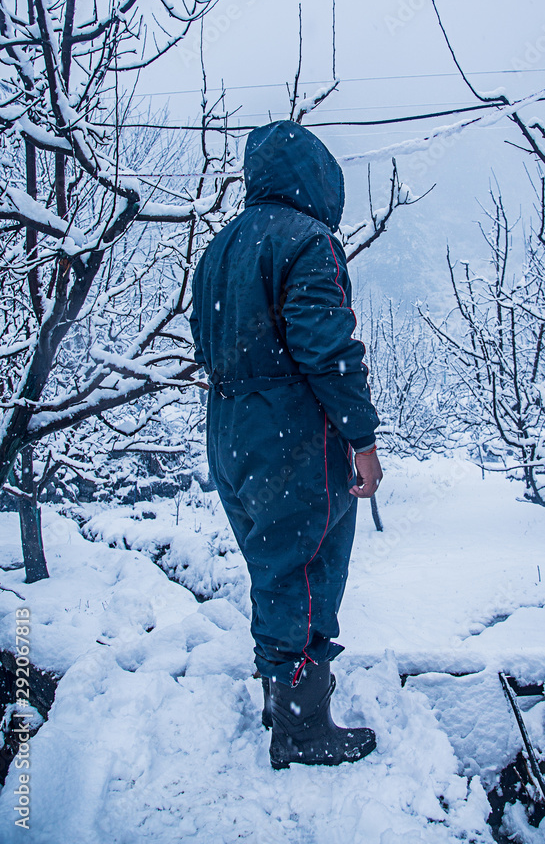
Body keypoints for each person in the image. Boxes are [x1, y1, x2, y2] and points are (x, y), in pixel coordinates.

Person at [190, 119, 383, 770]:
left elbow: (204, 338)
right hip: (291, 430)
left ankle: (281, 697)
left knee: (272, 567)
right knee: (305, 569)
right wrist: (361, 439)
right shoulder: (307, 242)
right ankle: (303, 729)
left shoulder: (221, 247)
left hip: (229, 425)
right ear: (316, 178)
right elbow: (327, 350)